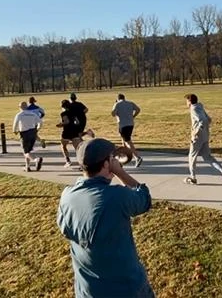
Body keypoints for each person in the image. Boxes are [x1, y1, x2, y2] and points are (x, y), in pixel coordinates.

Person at [57, 138, 154, 297]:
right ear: (106, 164)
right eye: (112, 158)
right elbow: (144, 199)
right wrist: (121, 173)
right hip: (126, 289)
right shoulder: (116, 196)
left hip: (87, 290)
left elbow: (65, 230)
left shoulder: (67, 195)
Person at [184, 93, 222, 185]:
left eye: (186, 101)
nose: (186, 103)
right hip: (205, 136)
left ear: (189, 101)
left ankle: (193, 177)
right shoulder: (200, 106)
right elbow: (208, 119)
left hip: (198, 138)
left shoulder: (193, 108)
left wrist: (195, 133)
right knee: (207, 157)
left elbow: (202, 120)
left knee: (192, 157)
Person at [112, 94, 143, 167]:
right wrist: (133, 116)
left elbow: (113, 113)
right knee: (124, 140)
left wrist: (115, 107)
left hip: (123, 125)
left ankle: (137, 157)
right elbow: (138, 109)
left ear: (118, 99)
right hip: (130, 124)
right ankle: (124, 158)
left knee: (128, 142)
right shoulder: (130, 103)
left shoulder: (117, 104)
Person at [13, 101, 44, 172]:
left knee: (26, 152)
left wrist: (14, 131)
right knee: (28, 150)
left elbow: (15, 125)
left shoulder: (19, 115)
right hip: (33, 133)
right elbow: (40, 122)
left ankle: (36, 159)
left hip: (24, 134)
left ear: (20, 107)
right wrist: (37, 129)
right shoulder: (33, 114)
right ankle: (27, 167)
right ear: (27, 107)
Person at [57, 99, 82, 168]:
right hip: (74, 131)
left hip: (67, 132)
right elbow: (77, 122)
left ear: (63, 106)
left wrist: (60, 124)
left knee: (63, 146)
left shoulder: (63, 113)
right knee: (77, 149)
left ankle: (68, 160)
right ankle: (81, 164)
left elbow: (66, 121)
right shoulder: (73, 112)